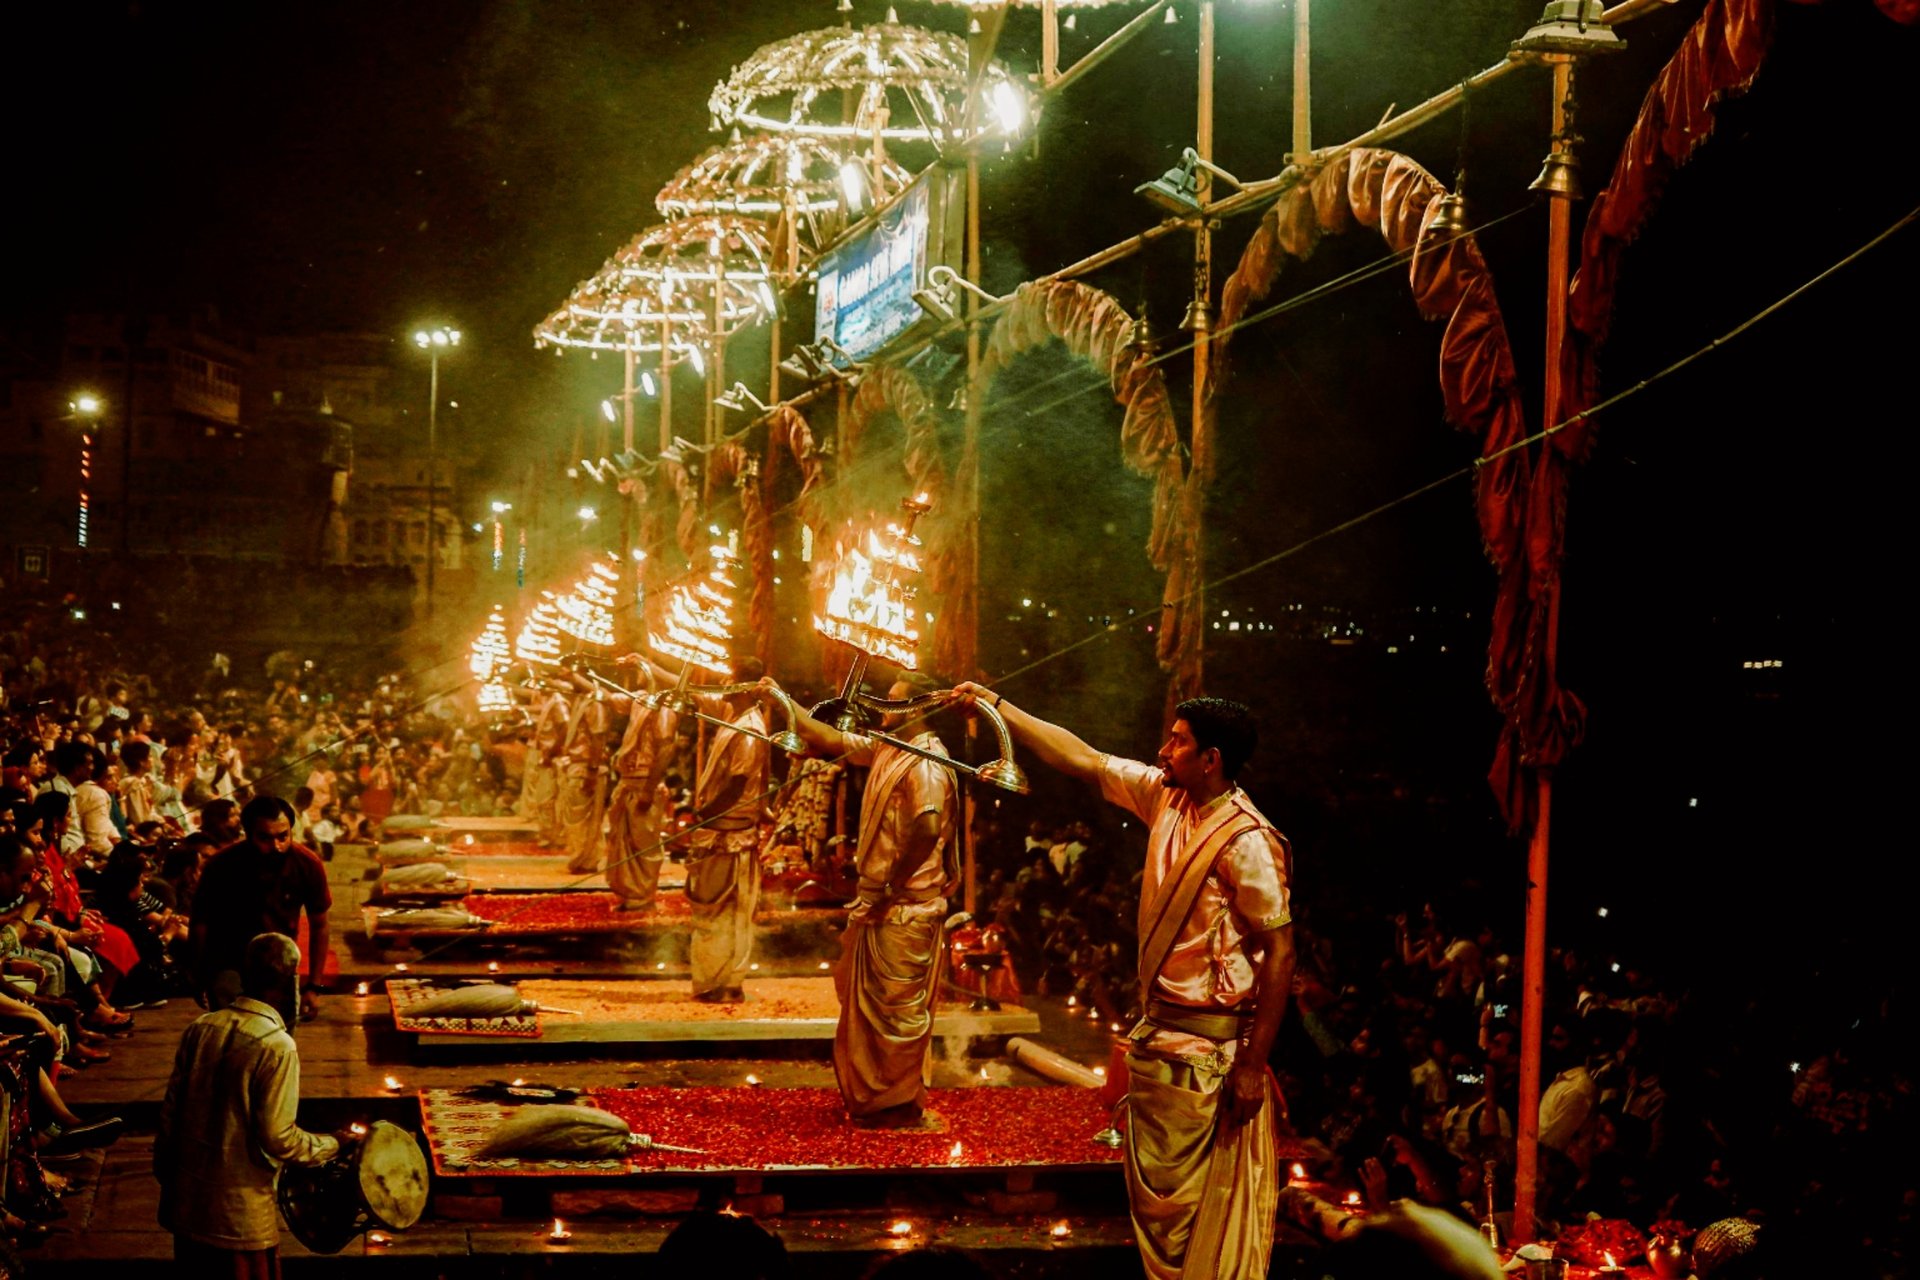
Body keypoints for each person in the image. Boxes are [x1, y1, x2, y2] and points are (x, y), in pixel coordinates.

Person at [949, 684, 1295, 1280]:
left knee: (1202, 1229)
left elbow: (1281, 952)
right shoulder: (1166, 797)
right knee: (1158, 1221)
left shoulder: (1248, 841)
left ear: (1211, 759)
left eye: (1178, 742)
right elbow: (1081, 758)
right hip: (1159, 1040)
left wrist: (1251, 1064)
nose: (1162, 751)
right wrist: (999, 707)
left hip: (1210, 1056)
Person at [776, 671, 958, 1126]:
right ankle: (877, 1099)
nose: (882, 709)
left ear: (918, 709)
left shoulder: (927, 761)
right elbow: (828, 738)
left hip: (904, 907)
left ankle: (895, 1105)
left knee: (897, 1011)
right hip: (882, 904)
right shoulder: (888, 747)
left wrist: (893, 887)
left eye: (893, 702)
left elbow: (928, 827)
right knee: (872, 1009)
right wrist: (777, 698)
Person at [155, 931, 350, 1277]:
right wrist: (333, 1144)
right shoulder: (277, 1046)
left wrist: (170, 1178)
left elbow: (170, 1115)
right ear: (290, 982)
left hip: (188, 1203)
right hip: (238, 1212)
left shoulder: (201, 1027)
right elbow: (278, 1137)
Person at [631, 653, 771, 1002]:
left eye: (729, 677)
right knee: (711, 913)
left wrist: (703, 813)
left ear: (742, 687)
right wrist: (649, 667)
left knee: (724, 914)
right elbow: (690, 690)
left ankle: (725, 984)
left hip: (729, 835)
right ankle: (715, 981)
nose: (722, 682)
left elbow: (737, 785)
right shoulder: (729, 711)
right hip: (715, 831)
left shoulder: (750, 730)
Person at [189, 796, 331, 1019]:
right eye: (265, 838)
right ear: (248, 833)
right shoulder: (221, 865)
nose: (276, 846)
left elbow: (320, 925)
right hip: (228, 960)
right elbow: (200, 923)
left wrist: (314, 986)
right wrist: (199, 976)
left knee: (275, 1032)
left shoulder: (307, 864)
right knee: (232, 1028)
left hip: (278, 962)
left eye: (283, 836)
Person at [604, 664, 679, 913]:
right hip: (628, 782)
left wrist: (648, 789)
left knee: (643, 844)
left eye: (642, 669)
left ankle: (642, 899)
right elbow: (606, 697)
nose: (638, 673)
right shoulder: (640, 701)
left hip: (645, 784)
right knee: (624, 843)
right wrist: (577, 674)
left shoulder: (664, 710)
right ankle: (631, 896)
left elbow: (666, 749)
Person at [556, 675, 612, 875]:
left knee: (584, 819)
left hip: (587, 768)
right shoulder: (581, 701)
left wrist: (592, 771)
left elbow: (598, 737)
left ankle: (586, 860)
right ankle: (581, 859)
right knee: (575, 819)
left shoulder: (595, 703)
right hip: (577, 765)